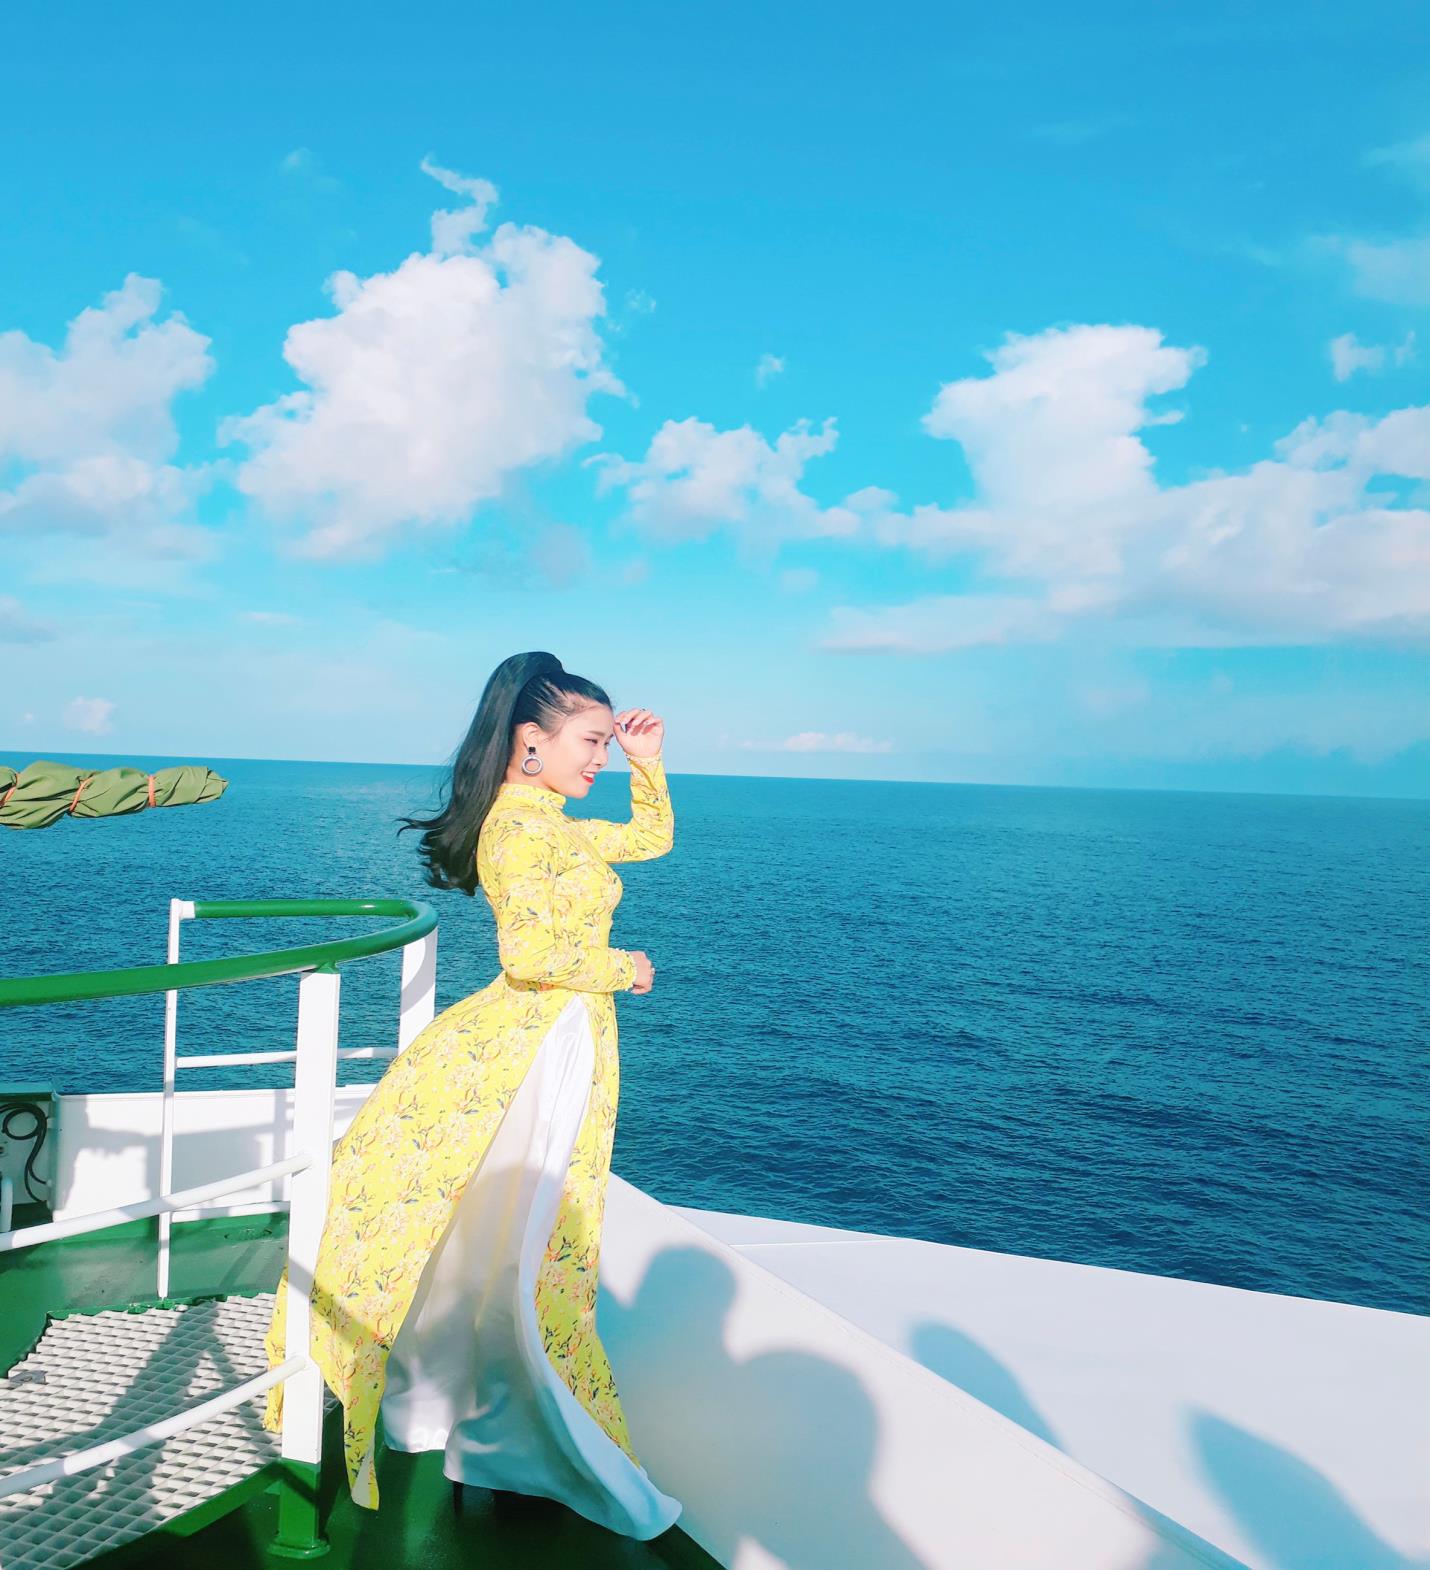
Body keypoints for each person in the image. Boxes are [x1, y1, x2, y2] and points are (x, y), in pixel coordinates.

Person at [259, 650, 682, 1539]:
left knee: (514, 1238)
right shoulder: (519, 832)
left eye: (607, 745)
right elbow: (530, 956)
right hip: (538, 1040)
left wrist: (650, 764)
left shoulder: (553, 824)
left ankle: (494, 1432)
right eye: (591, 741)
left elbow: (650, 840)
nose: (600, 758)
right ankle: (514, 1439)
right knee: (530, 1241)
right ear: (532, 739)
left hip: (560, 1035)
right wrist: (627, 968)